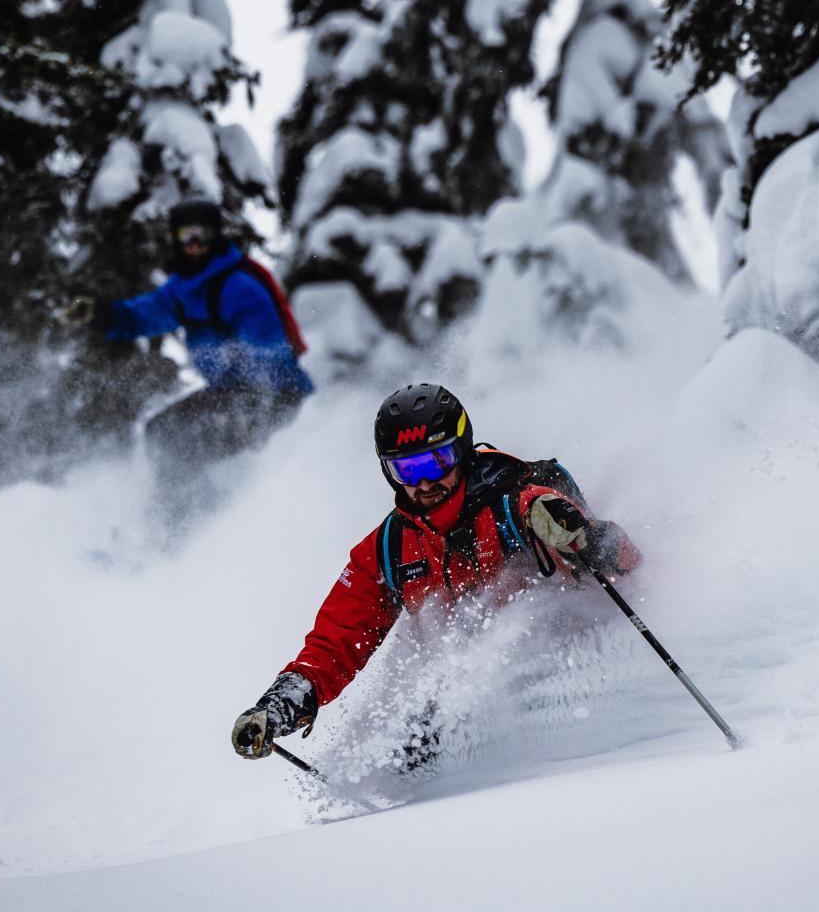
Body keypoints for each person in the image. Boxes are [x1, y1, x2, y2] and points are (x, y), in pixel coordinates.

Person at [231, 382, 642, 762]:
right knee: (406, 750)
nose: (424, 482)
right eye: (407, 471)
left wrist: (584, 539)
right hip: (470, 706)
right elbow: (335, 642)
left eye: (437, 462)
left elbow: (625, 565)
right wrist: (280, 704)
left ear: (461, 452)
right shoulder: (389, 550)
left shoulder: (521, 499)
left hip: (576, 675)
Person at [68, 200, 313, 482]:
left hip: (275, 396)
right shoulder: (185, 289)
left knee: (186, 440)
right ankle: (179, 514)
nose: (195, 245)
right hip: (233, 391)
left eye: (203, 236)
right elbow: (144, 315)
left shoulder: (239, 288)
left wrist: (257, 407)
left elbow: (272, 353)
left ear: (216, 237)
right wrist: (103, 314)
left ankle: (197, 515)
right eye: (186, 237)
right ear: (175, 239)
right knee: (160, 431)